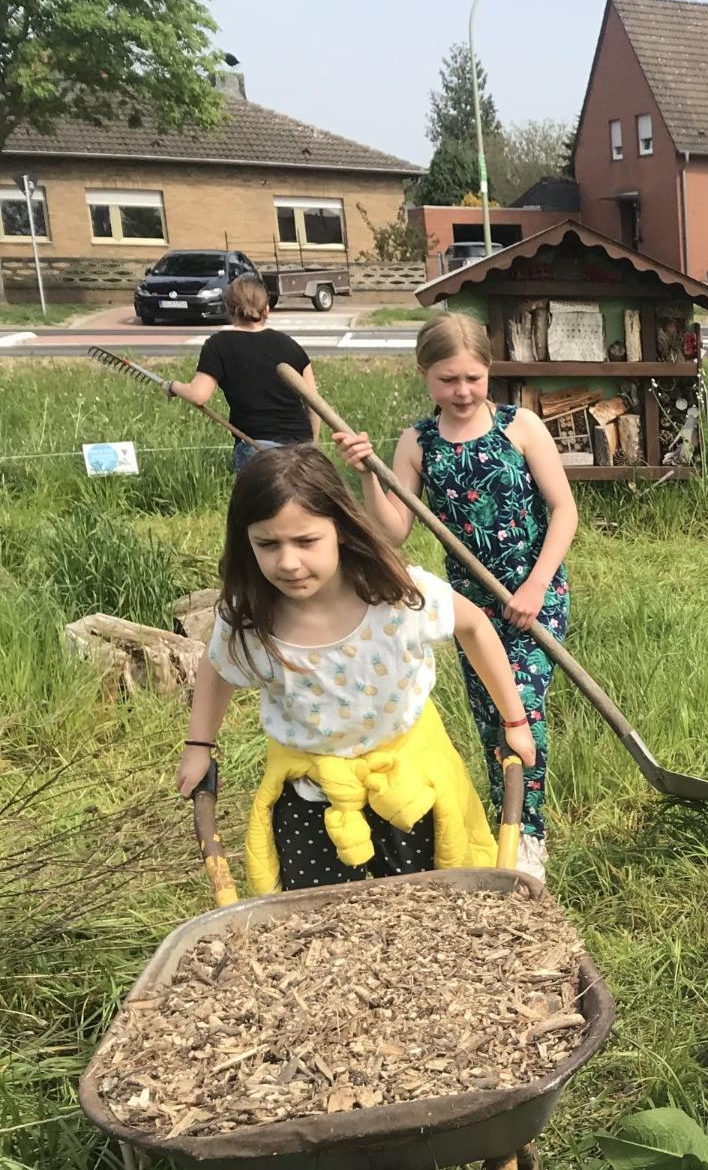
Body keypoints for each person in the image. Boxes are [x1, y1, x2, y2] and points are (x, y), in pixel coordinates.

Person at [176, 445, 537, 895]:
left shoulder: (398, 596)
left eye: (306, 541)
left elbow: (475, 626)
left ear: (341, 530)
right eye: (268, 544)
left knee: (426, 903)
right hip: (312, 787)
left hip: (405, 780)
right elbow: (218, 669)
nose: (288, 562)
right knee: (318, 915)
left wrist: (514, 720)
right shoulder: (250, 615)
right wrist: (198, 745)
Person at [329, 312, 577, 881]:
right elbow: (392, 532)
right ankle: (503, 819)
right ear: (425, 376)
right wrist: (369, 474)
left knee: (524, 712)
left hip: (536, 598)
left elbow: (564, 510)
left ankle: (529, 837)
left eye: (472, 377)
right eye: (447, 379)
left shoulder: (521, 428)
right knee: (491, 718)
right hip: (469, 611)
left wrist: (536, 586)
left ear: (488, 371)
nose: (462, 391)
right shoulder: (418, 443)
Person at [163, 275, 320, 471]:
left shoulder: (219, 344)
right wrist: (313, 445)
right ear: (267, 310)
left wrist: (172, 386)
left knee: (259, 502)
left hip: (256, 448)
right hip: (302, 449)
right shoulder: (290, 344)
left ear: (228, 310)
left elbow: (198, 395)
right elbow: (313, 403)